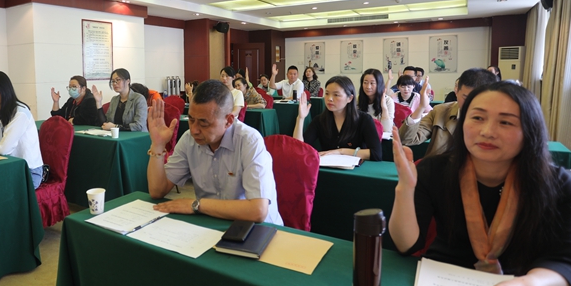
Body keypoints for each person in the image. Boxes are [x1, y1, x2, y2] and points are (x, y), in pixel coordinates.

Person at [388, 82, 571, 286]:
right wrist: (405, 188)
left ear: (530, 130)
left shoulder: (556, 184)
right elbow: (406, 245)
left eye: (506, 122)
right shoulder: (435, 170)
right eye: (478, 118)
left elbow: (567, 263)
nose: (488, 131)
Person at [146, 80, 283, 225]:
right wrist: (158, 145)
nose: (194, 130)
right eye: (191, 120)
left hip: (257, 228)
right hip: (212, 222)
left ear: (228, 121)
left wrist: (196, 205)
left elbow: (258, 211)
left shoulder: (249, 141)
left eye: (204, 123)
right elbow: (157, 191)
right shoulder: (189, 139)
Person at [400, 68, 497, 157]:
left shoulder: (498, 122)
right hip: (439, 168)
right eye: (466, 98)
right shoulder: (440, 111)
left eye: (479, 99)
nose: (472, 104)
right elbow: (407, 139)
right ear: (456, 91)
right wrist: (421, 107)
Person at [293, 75, 381, 161]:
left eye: (336, 95)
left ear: (350, 98)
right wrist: (300, 118)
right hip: (327, 168)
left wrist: (340, 151)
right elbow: (299, 149)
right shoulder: (320, 120)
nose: (329, 99)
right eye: (327, 93)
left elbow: (376, 154)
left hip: (356, 169)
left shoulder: (364, 119)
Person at [93, 68, 148, 132]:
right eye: (113, 81)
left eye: (118, 80)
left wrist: (115, 127)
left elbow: (139, 125)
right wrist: (99, 102)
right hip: (118, 135)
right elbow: (106, 124)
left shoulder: (139, 99)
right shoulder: (114, 100)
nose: (115, 83)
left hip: (137, 136)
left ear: (128, 81)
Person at [357, 68, 395, 133]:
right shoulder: (357, 100)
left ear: (379, 84)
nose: (368, 86)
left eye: (372, 83)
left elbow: (387, 129)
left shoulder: (388, 101)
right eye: (365, 83)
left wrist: (384, 107)